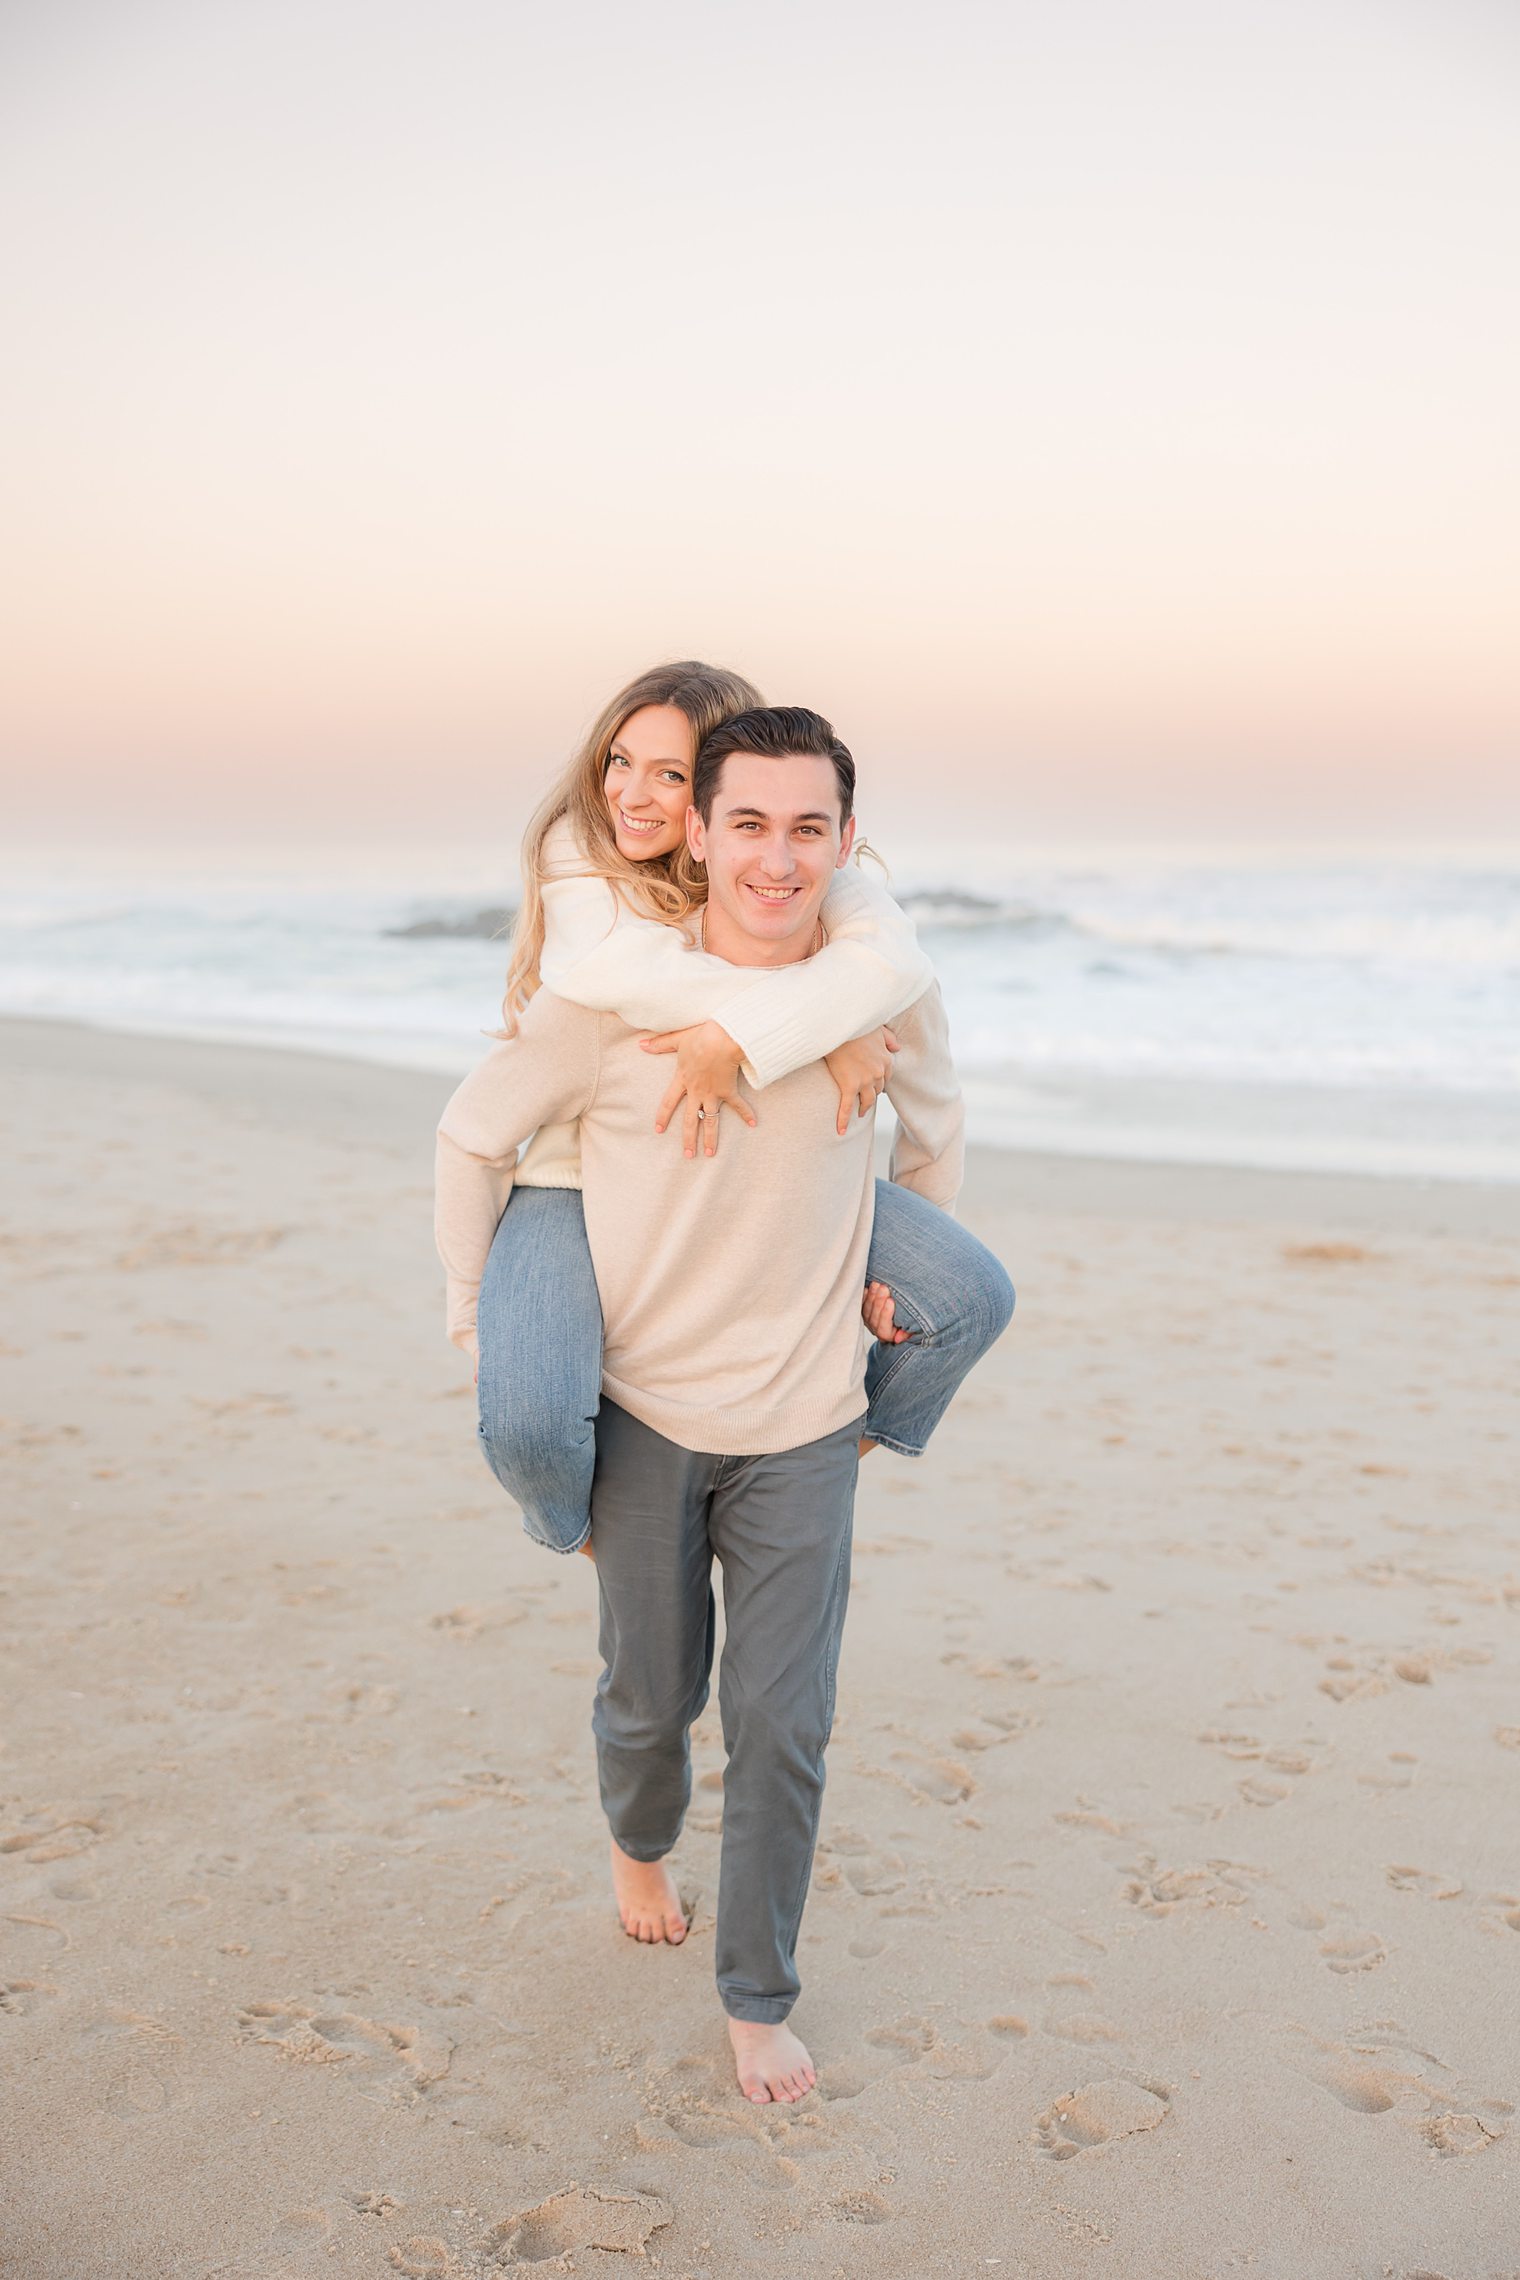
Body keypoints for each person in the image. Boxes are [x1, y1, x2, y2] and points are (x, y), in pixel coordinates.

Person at [437, 706, 987, 2104]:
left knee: (784, 1723)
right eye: (748, 822)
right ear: (697, 829)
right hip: (645, 1420)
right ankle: (637, 1839)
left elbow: (936, 1133)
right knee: (648, 1701)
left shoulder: (875, 997)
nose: (778, 858)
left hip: (804, 1426)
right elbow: (473, 1133)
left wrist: (887, 1265)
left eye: (810, 828)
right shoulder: (615, 1007)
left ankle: (757, 1996)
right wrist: (475, 1309)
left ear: (848, 843)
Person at [475, 661, 1014, 1556]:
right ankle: (574, 1526)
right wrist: (808, 1016)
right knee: (530, 1417)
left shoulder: (802, 873)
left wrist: (834, 1002)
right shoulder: (581, 846)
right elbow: (623, 977)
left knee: (966, 1297)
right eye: (619, 760)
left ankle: (829, 1453)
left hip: (757, 1168)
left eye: (672, 772)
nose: (634, 797)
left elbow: (895, 970)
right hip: (570, 1171)